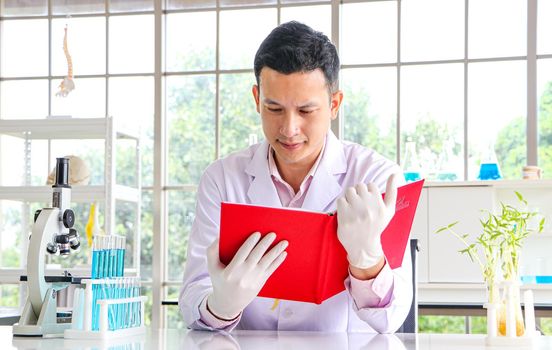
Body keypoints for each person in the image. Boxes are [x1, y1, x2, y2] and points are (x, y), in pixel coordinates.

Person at [180, 21, 412, 333]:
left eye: (305, 111)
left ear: (334, 104)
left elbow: (391, 321)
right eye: (274, 109)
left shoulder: (377, 177)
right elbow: (192, 299)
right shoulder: (222, 179)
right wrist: (221, 305)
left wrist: (368, 260)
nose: (289, 129)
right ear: (256, 99)